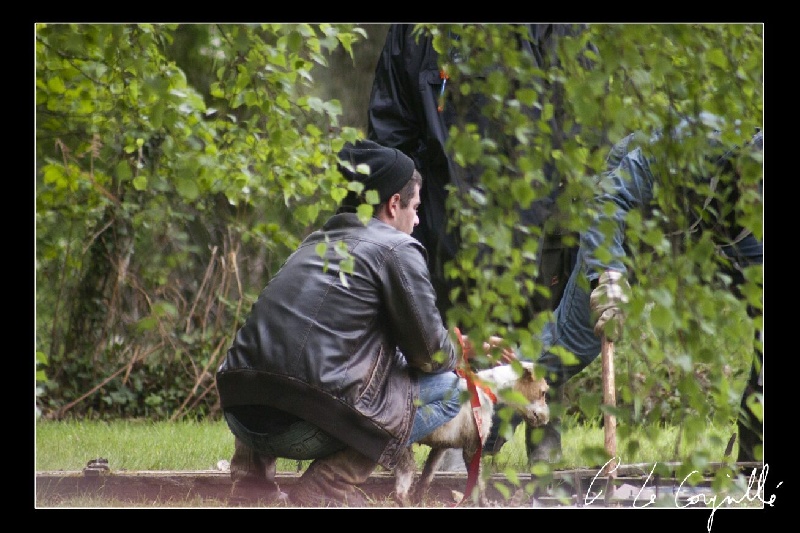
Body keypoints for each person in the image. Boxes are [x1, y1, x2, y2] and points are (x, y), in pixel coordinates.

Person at [215, 139, 504, 506]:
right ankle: (326, 486)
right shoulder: (397, 248)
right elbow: (430, 355)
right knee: (450, 389)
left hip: (241, 414)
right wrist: (457, 351)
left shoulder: (315, 243)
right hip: (303, 426)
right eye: (415, 207)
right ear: (394, 204)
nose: (417, 220)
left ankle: (251, 487)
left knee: (274, 360)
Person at [367, 23, 599, 465]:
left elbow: (585, 118)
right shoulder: (417, 33)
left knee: (539, 337)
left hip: (538, 218)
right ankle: (451, 458)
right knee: (454, 339)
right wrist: (406, 209)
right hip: (445, 221)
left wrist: (571, 208)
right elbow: (391, 131)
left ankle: (545, 464)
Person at [522, 114, 763, 464]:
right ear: (744, 163)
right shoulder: (691, 146)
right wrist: (608, 273)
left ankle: (754, 460)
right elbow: (609, 199)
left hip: (715, 228)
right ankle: (476, 425)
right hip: (636, 210)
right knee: (577, 338)